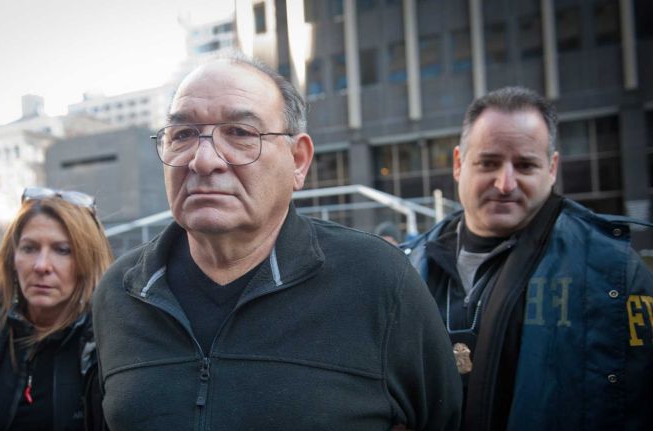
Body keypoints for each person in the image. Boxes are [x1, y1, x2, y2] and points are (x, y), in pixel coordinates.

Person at [92, 55, 462, 430]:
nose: (203, 160)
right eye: (183, 135)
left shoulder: (378, 281)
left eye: (239, 133)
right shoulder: (121, 293)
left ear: (297, 161)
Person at [401, 86, 653, 431]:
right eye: (489, 163)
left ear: (551, 168)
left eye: (525, 165)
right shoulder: (410, 265)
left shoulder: (613, 271)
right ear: (459, 164)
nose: (505, 183)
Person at [0, 187, 113, 430]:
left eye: (62, 250)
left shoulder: (107, 340)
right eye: (29, 248)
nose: (42, 265)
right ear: (12, 258)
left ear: (86, 262)